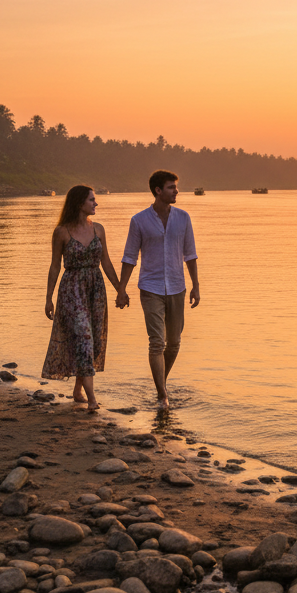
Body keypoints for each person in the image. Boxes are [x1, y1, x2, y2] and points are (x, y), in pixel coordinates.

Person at [117, 170, 199, 412]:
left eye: (176, 187)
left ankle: (160, 383)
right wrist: (121, 290)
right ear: (158, 191)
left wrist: (196, 285)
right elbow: (129, 257)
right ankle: (163, 395)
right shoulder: (139, 220)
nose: (176, 191)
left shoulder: (183, 218)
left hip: (177, 287)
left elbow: (191, 254)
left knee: (174, 343)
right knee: (157, 342)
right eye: (171, 187)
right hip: (150, 288)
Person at [42, 184, 123, 412]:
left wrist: (120, 289)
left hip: (95, 289)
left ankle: (77, 389)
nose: (96, 203)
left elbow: (105, 262)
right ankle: (92, 399)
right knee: (84, 337)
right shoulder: (61, 232)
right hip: (72, 289)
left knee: (92, 340)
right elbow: (55, 266)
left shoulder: (99, 229)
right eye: (91, 200)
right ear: (79, 204)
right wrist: (48, 298)